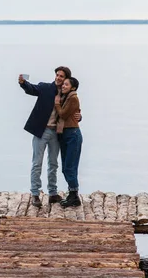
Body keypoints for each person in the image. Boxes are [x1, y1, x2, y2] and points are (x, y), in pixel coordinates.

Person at [18, 67, 81, 207]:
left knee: (53, 164)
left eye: (61, 76)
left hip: (56, 133)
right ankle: (35, 194)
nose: (58, 78)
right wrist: (23, 83)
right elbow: (32, 89)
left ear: (66, 79)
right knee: (37, 163)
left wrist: (80, 116)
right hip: (41, 131)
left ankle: (52, 193)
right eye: (57, 75)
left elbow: (73, 109)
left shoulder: (66, 93)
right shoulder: (45, 87)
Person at [55, 77, 83, 207]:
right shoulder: (66, 97)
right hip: (65, 134)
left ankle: (74, 196)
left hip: (72, 134)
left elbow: (63, 114)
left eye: (66, 84)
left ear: (73, 87)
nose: (63, 86)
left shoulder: (72, 98)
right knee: (66, 168)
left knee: (69, 167)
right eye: (63, 84)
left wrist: (56, 103)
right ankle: (72, 194)